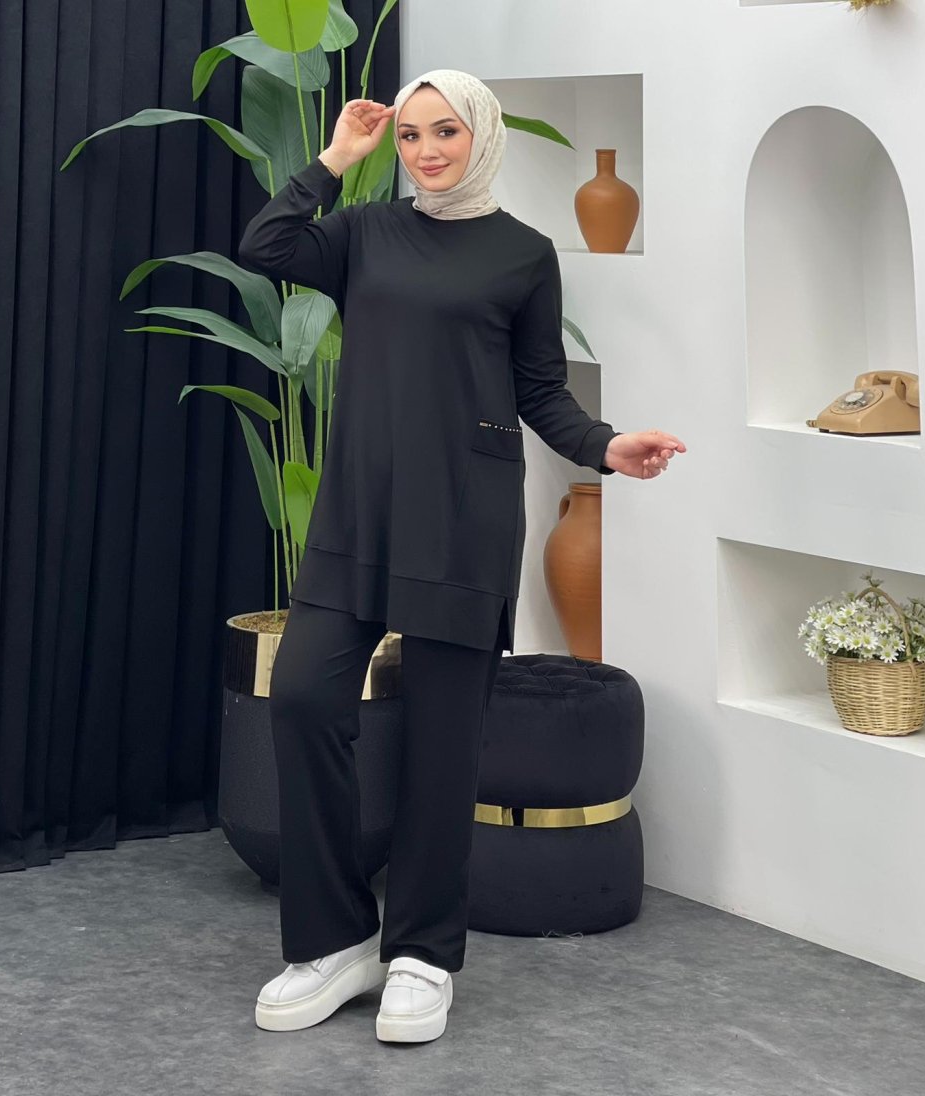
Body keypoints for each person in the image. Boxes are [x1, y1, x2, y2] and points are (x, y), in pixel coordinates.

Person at [237, 68, 686, 1045]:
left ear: (481, 134)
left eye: (445, 131)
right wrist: (336, 158)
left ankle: (422, 955)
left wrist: (605, 445)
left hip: (462, 517)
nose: (427, 151)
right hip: (360, 512)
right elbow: (266, 244)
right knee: (305, 697)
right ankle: (333, 942)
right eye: (411, 136)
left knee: (443, 745)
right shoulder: (365, 232)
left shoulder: (522, 254)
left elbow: (542, 390)